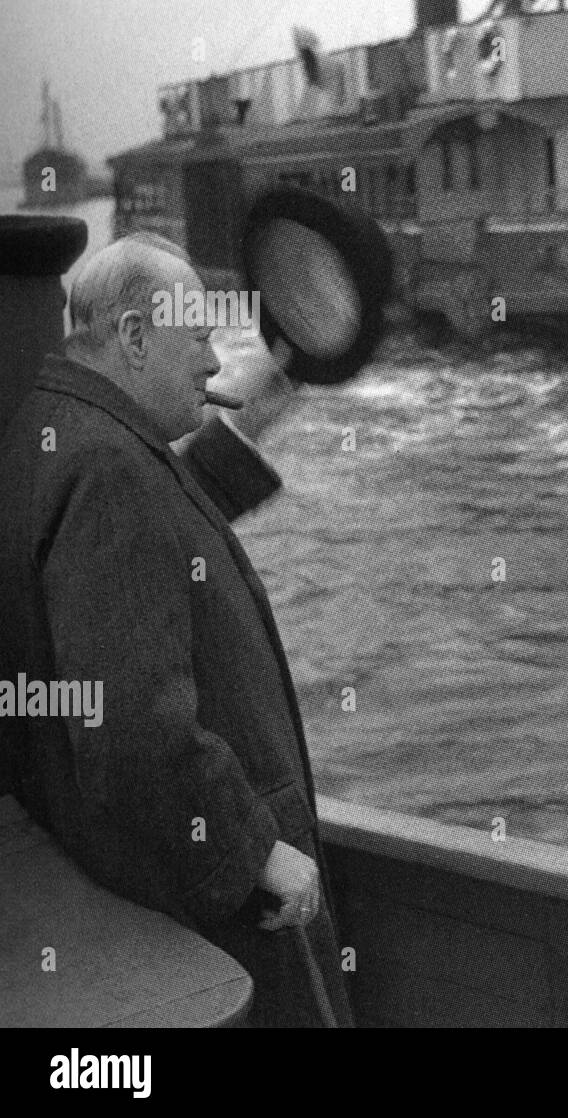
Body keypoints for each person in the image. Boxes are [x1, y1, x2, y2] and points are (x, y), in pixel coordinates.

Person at [0, 232, 353, 1027]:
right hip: (222, 914)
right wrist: (256, 850)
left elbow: (157, 547)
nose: (211, 366)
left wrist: (245, 429)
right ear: (131, 337)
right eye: (197, 338)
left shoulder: (56, 434)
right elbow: (130, 728)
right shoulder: (112, 470)